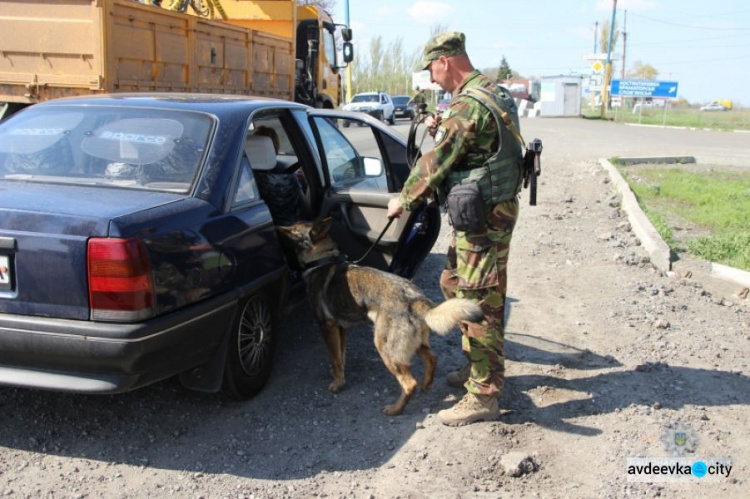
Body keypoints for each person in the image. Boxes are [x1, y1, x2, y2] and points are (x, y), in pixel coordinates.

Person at [386, 32, 525, 426]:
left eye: (431, 69)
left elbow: (437, 163)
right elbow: (476, 141)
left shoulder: (468, 105)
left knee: (480, 302)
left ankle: (483, 394)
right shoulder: (492, 92)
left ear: (446, 61)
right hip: (493, 214)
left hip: (483, 222)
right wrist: (445, 122)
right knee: (452, 283)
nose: (432, 79)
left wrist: (405, 200)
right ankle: (477, 366)